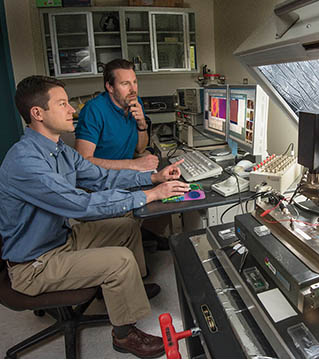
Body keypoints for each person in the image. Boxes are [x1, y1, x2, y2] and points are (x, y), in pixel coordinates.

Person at [0, 75, 190, 358]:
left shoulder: (58, 150)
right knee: (119, 261)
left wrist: (152, 177)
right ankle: (124, 336)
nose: (71, 110)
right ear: (37, 113)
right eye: (63, 104)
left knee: (125, 226)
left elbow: (101, 177)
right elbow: (81, 205)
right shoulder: (25, 162)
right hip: (34, 264)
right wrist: (150, 195)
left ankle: (127, 289)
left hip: (59, 240)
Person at [75, 58, 158, 171]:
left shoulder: (135, 102)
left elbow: (140, 149)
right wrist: (132, 164)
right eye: (125, 84)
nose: (133, 89)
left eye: (134, 82)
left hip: (126, 174)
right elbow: (83, 160)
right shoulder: (93, 110)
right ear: (110, 87)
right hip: (100, 179)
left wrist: (142, 124)